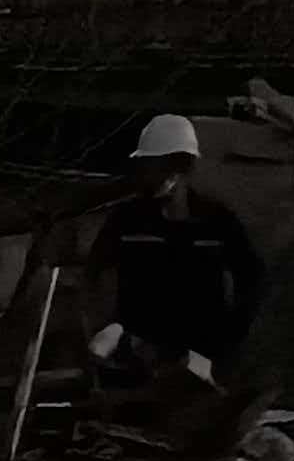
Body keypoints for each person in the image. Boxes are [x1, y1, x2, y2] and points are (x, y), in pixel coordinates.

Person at [89, 111, 266, 376]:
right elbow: (93, 273)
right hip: (139, 357)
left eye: (157, 165)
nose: (149, 174)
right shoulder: (127, 220)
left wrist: (231, 337)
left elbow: (252, 279)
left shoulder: (217, 221)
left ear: (184, 166)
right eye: (146, 165)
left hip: (198, 356)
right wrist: (107, 330)